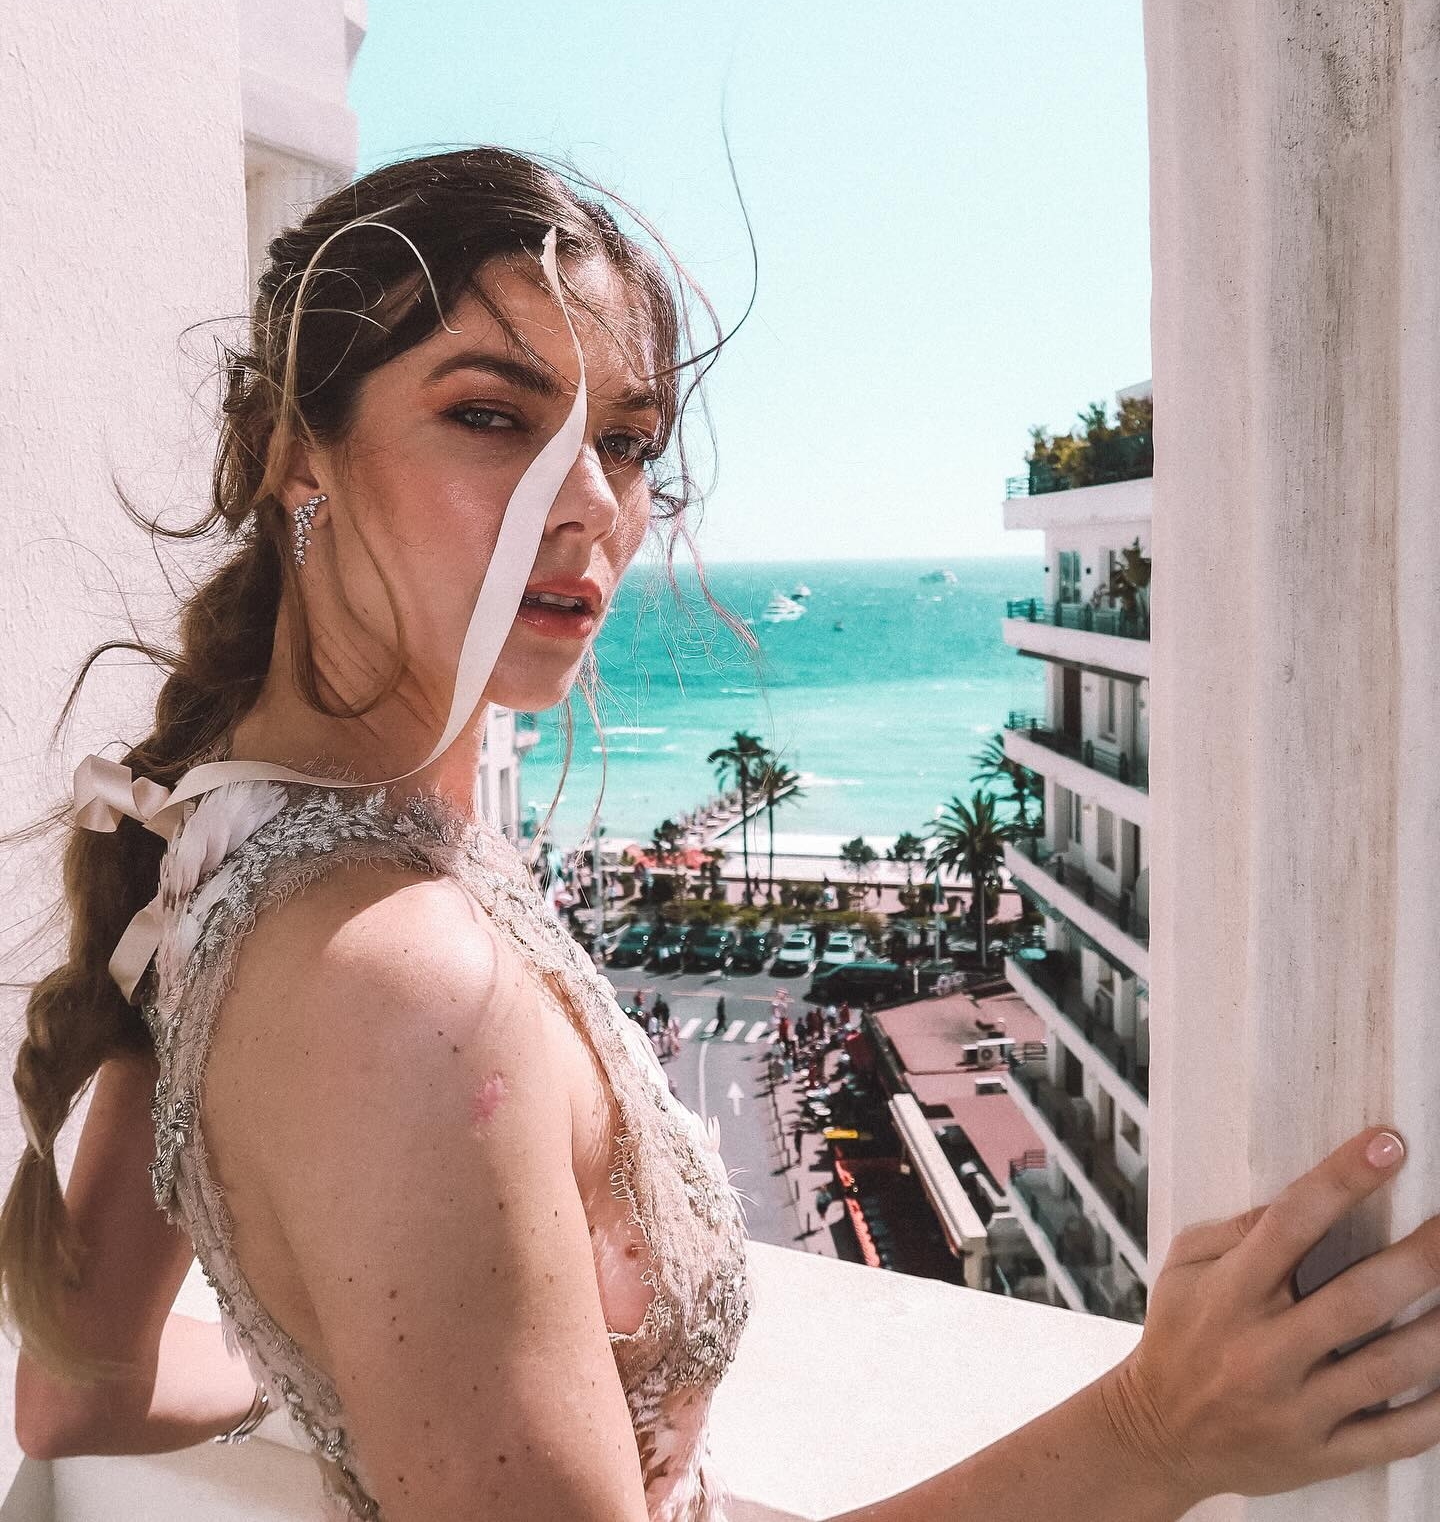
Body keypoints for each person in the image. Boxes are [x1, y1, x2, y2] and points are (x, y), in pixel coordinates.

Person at [6, 152, 1440, 1522]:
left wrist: (374, 1386)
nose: (590, 504)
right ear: (294, 453)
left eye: (626, 441)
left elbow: (80, 1397)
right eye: (493, 416)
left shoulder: (220, 846)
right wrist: (1157, 1430)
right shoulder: (401, 984)